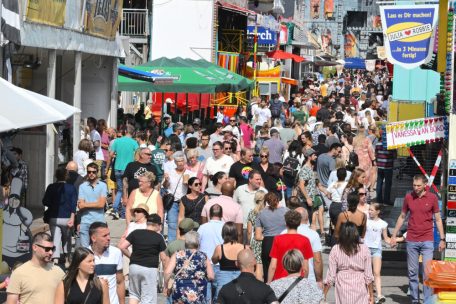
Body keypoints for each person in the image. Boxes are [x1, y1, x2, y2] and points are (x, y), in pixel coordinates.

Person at [390, 174, 445, 304]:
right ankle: (415, 300)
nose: (416, 188)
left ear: (425, 185)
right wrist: (393, 235)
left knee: (427, 273)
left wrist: (442, 239)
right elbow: (402, 217)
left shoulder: (432, 198)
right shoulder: (409, 197)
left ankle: (427, 301)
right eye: (414, 185)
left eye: (418, 185)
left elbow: (437, 219)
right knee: (412, 272)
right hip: (412, 239)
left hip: (427, 239)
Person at [118, 214, 167, 304]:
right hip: (150, 268)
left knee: (134, 294)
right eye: (160, 225)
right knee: (148, 298)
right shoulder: (159, 237)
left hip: (134, 266)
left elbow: (122, 247)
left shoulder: (136, 232)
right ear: (157, 225)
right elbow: (163, 258)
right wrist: (165, 276)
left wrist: (131, 256)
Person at [6, 232, 65, 304]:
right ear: (35, 247)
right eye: (47, 249)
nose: (51, 252)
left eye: (53, 249)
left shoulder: (58, 272)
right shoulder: (19, 273)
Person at [324, 222, 374, 304]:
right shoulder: (364, 249)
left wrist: (324, 294)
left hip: (342, 286)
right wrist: (371, 295)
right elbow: (368, 275)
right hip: (360, 284)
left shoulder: (335, 249)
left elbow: (331, 276)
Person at [164, 231, 215, 303]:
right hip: (198, 290)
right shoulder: (203, 256)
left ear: (185, 242)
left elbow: (167, 272)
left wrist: (166, 286)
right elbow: (211, 276)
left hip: (180, 289)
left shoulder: (177, 254)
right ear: (198, 243)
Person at [42, 167, 77, 265]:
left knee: (55, 238)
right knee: (67, 238)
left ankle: (55, 258)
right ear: (66, 176)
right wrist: (72, 217)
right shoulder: (71, 188)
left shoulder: (51, 187)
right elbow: (74, 204)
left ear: (56, 176)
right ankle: (67, 258)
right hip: (67, 217)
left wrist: (53, 204)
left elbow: (45, 201)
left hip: (53, 216)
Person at [267, 210, 313, 283]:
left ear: (285, 222)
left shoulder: (278, 239)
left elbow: (273, 266)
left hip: (280, 279)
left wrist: (269, 282)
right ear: (299, 223)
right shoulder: (305, 240)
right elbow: (305, 267)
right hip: (298, 280)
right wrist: (305, 282)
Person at [255, 192, 288, 282]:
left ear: (266, 202)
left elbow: (258, 236)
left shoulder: (261, 213)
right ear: (278, 200)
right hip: (283, 241)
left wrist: (267, 237)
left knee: (267, 271)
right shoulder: (286, 211)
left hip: (268, 243)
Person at [89, 222, 125, 304]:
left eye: (109, 234)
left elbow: (120, 282)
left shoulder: (116, 252)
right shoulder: (85, 255)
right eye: (104, 236)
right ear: (94, 238)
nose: (109, 238)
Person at [163, 151, 194, 242]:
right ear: (175, 162)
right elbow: (165, 186)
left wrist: (188, 184)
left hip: (184, 202)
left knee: (184, 224)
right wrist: (166, 180)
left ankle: (182, 242)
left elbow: (194, 187)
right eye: (178, 161)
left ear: (185, 162)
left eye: (182, 160)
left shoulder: (190, 173)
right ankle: (172, 245)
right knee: (172, 224)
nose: (180, 163)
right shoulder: (170, 172)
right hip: (173, 201)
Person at [110, 125, 139, 219]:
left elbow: (111, 154)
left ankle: (115, 209)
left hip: (117, 168)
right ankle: (123, 211)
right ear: (133, 133)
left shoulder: (117, 141)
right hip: (128, 169)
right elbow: (138, 155)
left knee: (120, 190)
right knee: (126, 190)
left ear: (125, 131)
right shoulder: (134, 142)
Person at [121, 147, 158, 218]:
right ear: (141, 155)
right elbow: (125, 182)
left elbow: (156, 184)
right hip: (134, 198)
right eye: (148, 154)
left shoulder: (153, 168)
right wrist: (125, 197)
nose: (150, 156)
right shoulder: (131, 165)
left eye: (151, 155)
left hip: (148, 199)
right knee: (133, 220)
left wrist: (156, 197)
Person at [197, 204, 224, 302]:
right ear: (222, 214)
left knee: (206, 297)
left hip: (206, 265)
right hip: (221, 265)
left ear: (209, 214)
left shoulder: (202, 227)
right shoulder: (225, 227)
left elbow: (197, 245)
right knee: (219, 297)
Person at [365, 203, 390, 304]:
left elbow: (386, 238)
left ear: (378, 212)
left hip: (377, 250)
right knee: (367, 273)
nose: (369, 211)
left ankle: (379, 295)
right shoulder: (365, 221)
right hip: (365, 249)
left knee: (376, 273)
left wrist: (395, 240)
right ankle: (367, 293)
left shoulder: (383, 224)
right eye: (369, 210)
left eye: (371, 210)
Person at [212, 222, 245, 298]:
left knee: (221, 299)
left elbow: (214, 261)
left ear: (223, 233)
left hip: (223, 279)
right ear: (236, 233)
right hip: (240, 279)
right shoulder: (244, 248)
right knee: (240, 298)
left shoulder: (220, 248)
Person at [78, 163, 108, 248]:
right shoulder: (82, 186)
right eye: (89, 172)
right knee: (85, 249)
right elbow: (80, 206)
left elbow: (101, 204)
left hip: (99, 221)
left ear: (97, 172)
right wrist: (96, 203)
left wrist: (85, 204)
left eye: (93, 172)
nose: (91, 174)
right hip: (85, 221)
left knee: (99, 248)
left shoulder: (103, 185)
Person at [293, 207, 323, 284]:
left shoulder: (283, 233)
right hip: (309, 279)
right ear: (307, 219)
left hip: (286, 279)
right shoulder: (313, 234)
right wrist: (319, 280)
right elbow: (317, 260)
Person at [234, 170, 268, 238]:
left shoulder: (264, 191)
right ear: (250, 179)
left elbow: (267, 209)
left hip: (258, 229)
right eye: (257, 179)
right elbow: (234, 207)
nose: (259, 181)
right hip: (242, 227)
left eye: (260, 179)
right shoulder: (240, 189)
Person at [246, 190, 266, 280]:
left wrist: (249, 243)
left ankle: (258, 283)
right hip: (265, 239)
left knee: (257, 264)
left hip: (255, 241)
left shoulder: (251, 213)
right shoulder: (267, 213)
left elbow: (249, 231)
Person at [353, 126, 376, 192]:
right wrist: (373, 159)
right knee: (366, 174)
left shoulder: (354, 139)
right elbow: (370, 150)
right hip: (366, 159)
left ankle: (358, 187)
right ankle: (365, 187)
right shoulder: (367, 139)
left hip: (357, 159)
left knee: (358, 173)